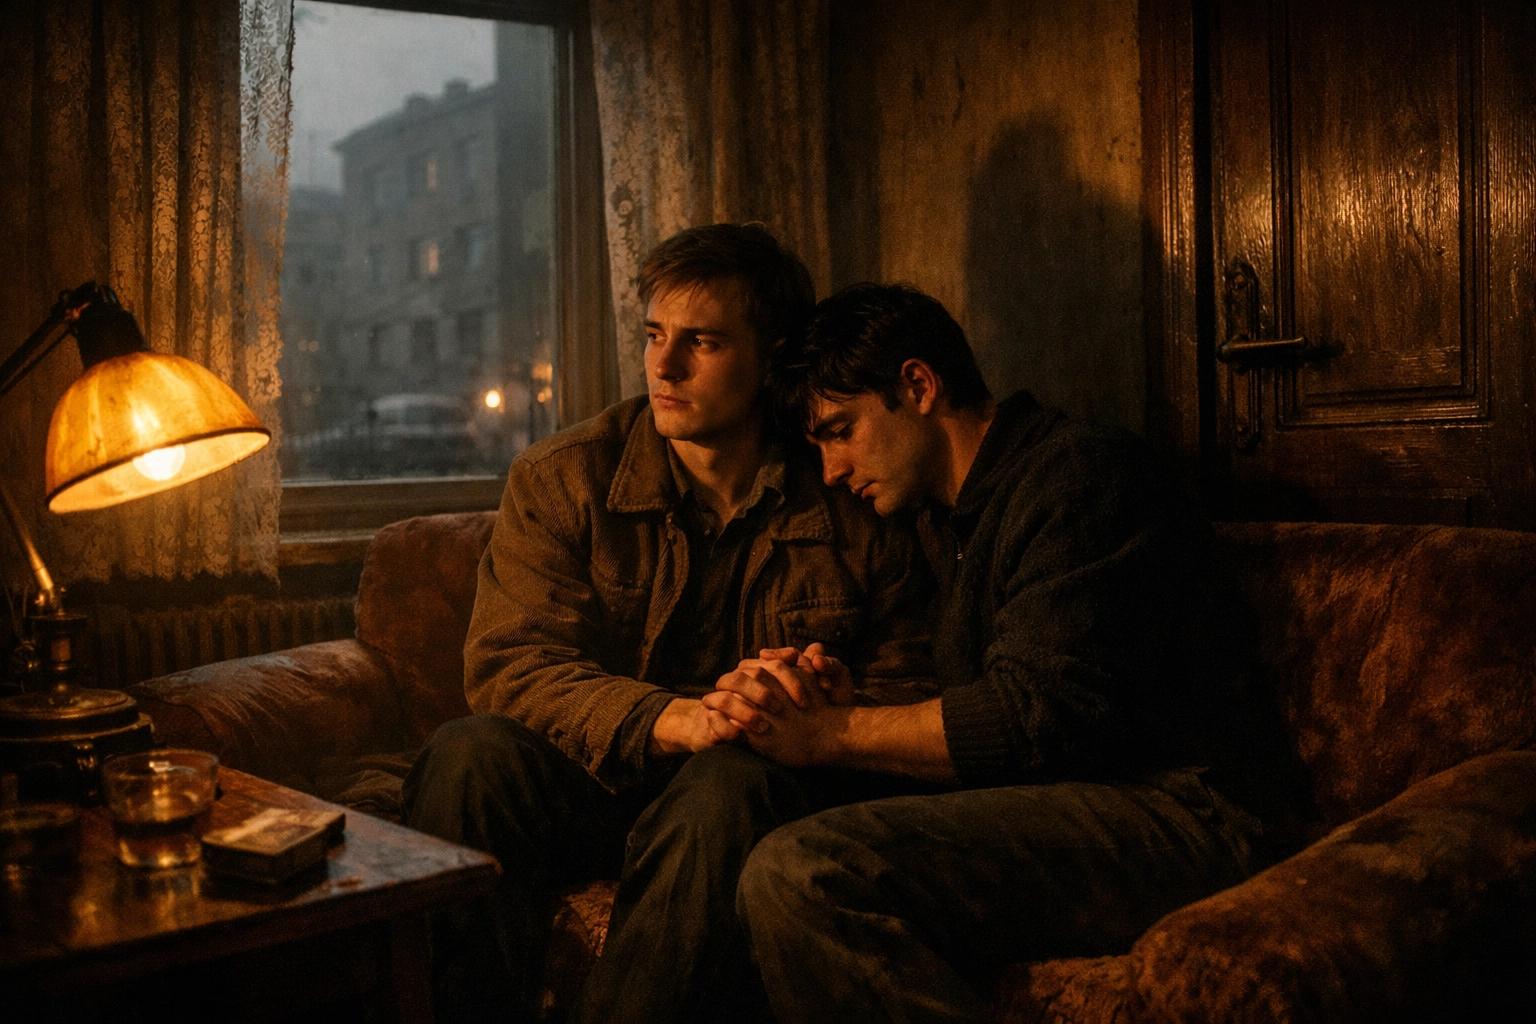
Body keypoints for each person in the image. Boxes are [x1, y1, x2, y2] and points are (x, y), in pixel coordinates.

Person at [401, 228, 934, 1023]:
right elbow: (512, 667)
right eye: (654, 336)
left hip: (745, 800)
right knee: (468, 753)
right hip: (600, 777)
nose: (664, 365)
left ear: (772, 357)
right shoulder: (564, 478)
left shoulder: (848, 482)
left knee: (727, 783)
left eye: (704, 342)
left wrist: (829, 702)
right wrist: (671, 718)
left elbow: (912, 677)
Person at [727, 282, 1285, 1022]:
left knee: (805, 871)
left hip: (1190, 813)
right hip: (1074, 793)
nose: (831, 471)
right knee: (741, 791)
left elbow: (1034, 720)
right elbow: (994, 695)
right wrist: (837, 702)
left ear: (918, 386)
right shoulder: (945, 520)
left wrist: (831, 734)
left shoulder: (1082, 476)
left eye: (840, 430)